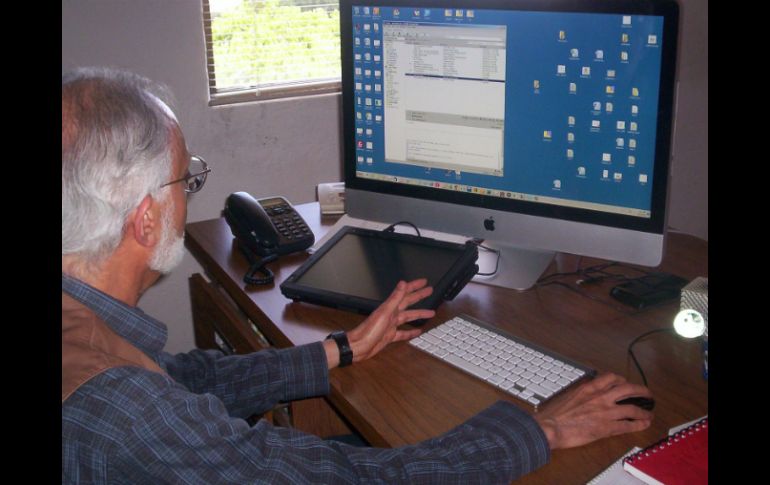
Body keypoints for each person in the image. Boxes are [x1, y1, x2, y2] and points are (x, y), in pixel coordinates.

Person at [62, 67, 654, 484]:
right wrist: (541, 431)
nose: (189, 195)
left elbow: (182, 379)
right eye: (184, 180)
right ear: (146, 220)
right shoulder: (127, 411)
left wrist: (337, 351)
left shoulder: (86, 328)